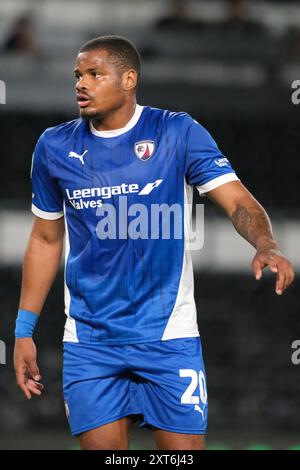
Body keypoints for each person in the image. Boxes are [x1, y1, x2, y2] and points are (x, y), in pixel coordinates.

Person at [13, 35, 294, 451]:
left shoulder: (176, 131)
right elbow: (45, 239)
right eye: (77, 75)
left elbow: (237, 200)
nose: (81, 84)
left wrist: (265, 242)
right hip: (90, 343)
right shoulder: (54, 147)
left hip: (168, 337)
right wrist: (24, 330)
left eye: (94, 73)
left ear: (129, 79)